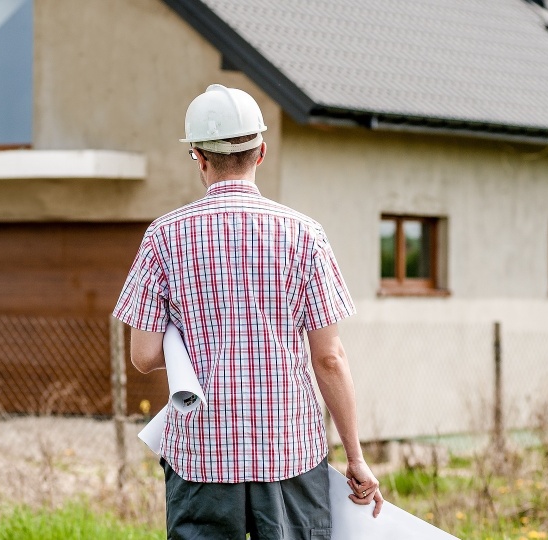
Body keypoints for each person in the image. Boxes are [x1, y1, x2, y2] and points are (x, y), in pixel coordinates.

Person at [113, 83, 382, 539]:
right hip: (289, 453)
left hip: (201, 456)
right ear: (261, 152)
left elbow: (142, 355)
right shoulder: (306, 235)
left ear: (198, 156)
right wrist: (355, 458)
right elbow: (329, 358)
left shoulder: (163, 236)